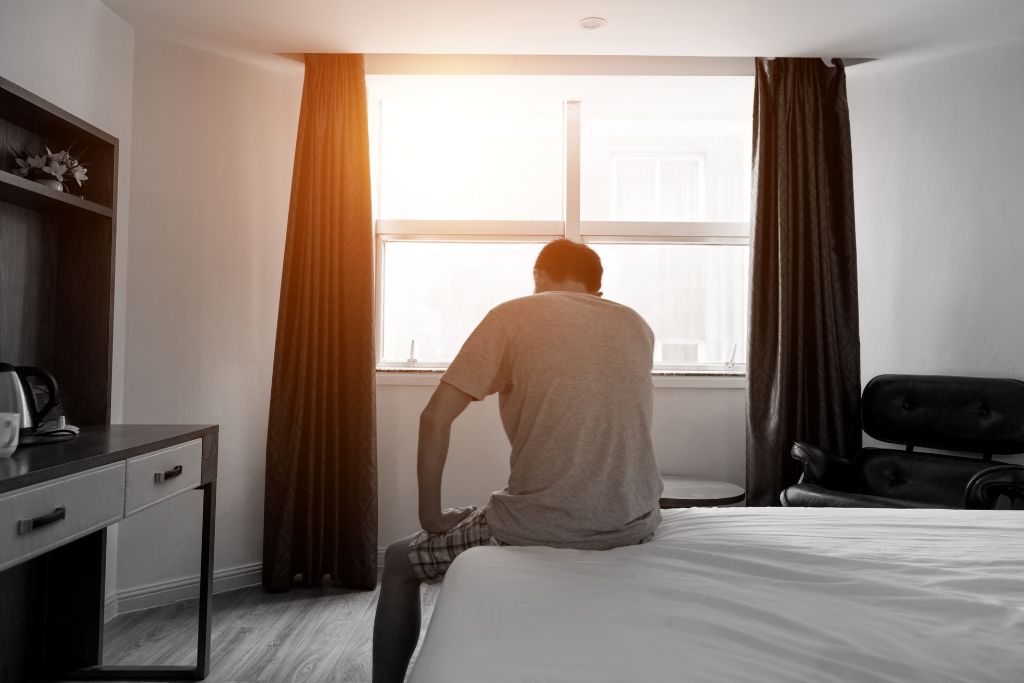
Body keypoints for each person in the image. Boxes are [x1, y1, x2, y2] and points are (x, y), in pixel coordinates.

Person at [372, 239, 663, 682]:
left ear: (538, 277)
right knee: (494, 503)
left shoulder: (513, 316)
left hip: (545, 524)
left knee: (396, 561)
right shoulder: (637, 325)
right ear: (597, 288)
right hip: (635, 519)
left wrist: (431, 516)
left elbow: (434, 419)